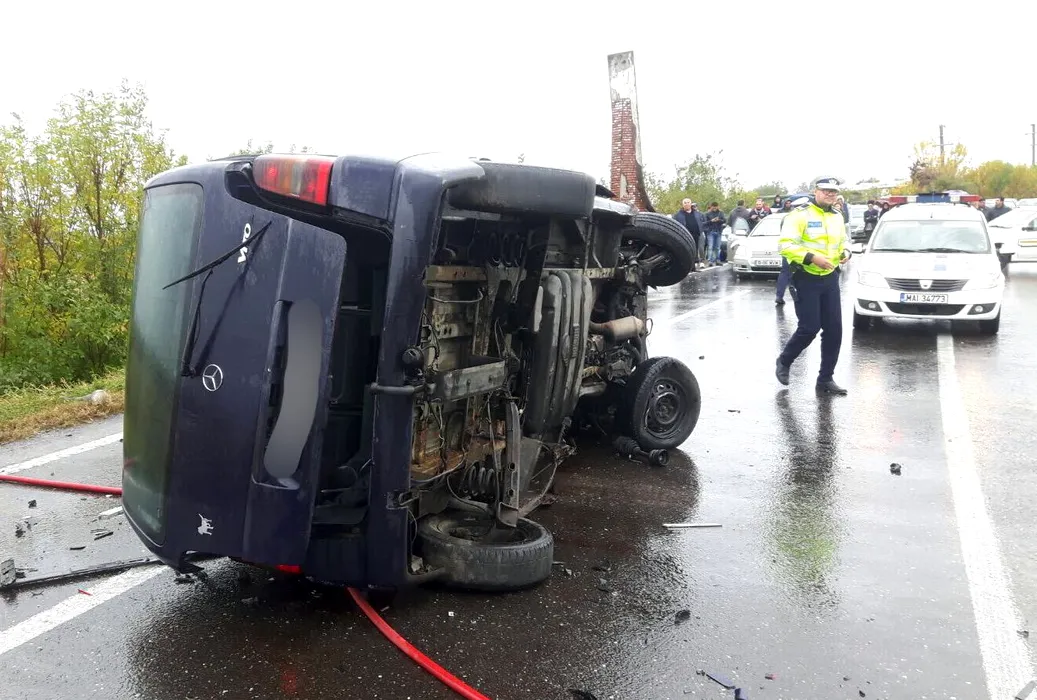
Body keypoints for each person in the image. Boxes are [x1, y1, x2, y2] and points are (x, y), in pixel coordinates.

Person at [774, 178, 850, 395]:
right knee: (809, 328)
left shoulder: (837, 216)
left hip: (830, 277)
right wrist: (811, 257)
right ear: (816, 191)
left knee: (834, 330)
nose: (830, 194)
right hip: (805, 277)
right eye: (826, 191)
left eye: (833, 192)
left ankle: (825, 379)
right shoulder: (800, 215)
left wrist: (846, 252)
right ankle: (784, 360)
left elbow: (843, 241)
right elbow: (785, 246)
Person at [673, 198, 703, 269]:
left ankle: (693, 267)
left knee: (695, 250)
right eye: (685, 203)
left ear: (691, 204)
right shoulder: (678, 215)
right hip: (685, 236)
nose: (687, 204)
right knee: (687, 251)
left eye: (688, 202)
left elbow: (702, 222)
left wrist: (701, 230)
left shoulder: (697, 213)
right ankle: (687, 267)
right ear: (683, 205)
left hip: (696, 234)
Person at [703, 202, 726, 266]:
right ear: (711, 206)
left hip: (718, 231)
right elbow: (704, 223)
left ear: (718, 206)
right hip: (710, 232)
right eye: (713, 206)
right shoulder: (707, 213)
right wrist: (711, 221)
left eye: (716, 206)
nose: (715, 208)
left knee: (718, 247)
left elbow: (724, 220)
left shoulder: (721, 213)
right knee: (710, 247)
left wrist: (719, 220)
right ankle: (710, 261)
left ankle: (717, 260)